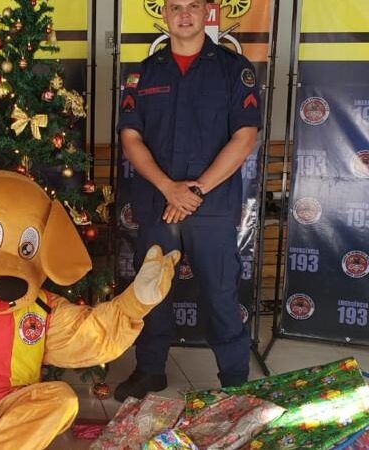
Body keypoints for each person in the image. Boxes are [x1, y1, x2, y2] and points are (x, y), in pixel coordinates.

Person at [114, 0, 261, 401]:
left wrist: (194, 191)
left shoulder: (234, 71)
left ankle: (234, 381)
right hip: (159, 203)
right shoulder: (141, 75)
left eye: (193, 5)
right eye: (175, 6)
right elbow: (131, 139)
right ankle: (150, 372)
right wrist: (169, 188)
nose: (184, 14)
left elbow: (244, 137)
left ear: (207, 12)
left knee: (220, 295)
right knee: (152, 291)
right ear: (163, 13)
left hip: (209, 208)